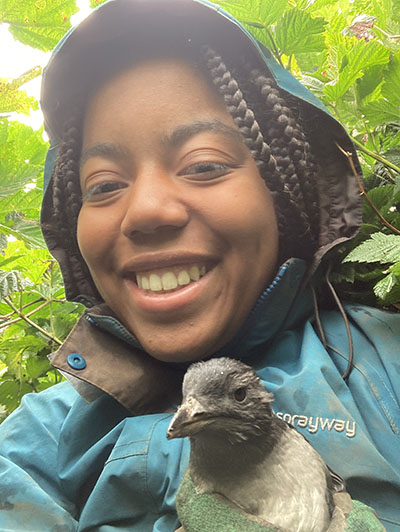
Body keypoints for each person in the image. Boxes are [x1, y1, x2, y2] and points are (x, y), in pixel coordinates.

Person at [0, 0, 399, 530]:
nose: (145, 211)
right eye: (104, 185)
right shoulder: (37, 442)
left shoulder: (386, 366)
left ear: (290, 196)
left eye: (205, 165)